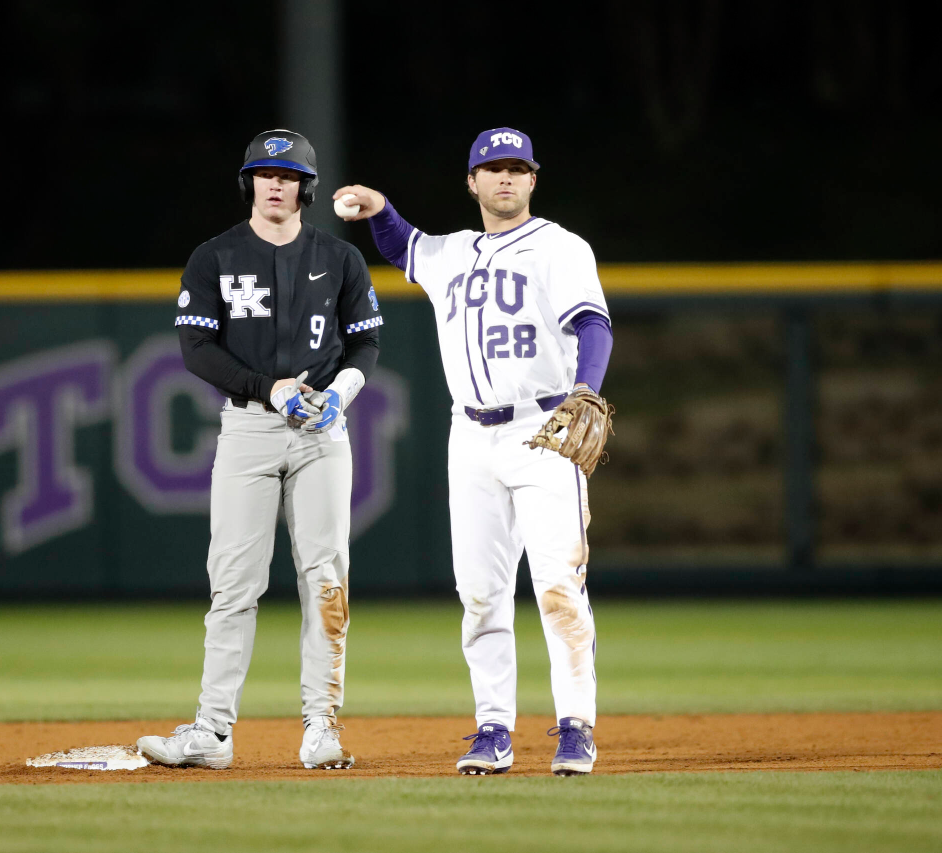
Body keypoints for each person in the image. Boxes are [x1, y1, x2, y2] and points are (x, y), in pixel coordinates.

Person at [333, 127, 612, 776]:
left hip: (546, 431)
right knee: (481, 593)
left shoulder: (560, 247)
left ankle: (576, 727)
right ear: (472, 181)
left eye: (518, 168)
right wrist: (380, 208)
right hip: (472, 438)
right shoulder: (452, 252)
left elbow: (593, 324)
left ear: (534, 180)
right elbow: (405, 246)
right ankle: (493, 729)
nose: (505, 178)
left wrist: (585, 391)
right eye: (493, 168)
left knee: (558, 587)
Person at [136, 129, 382, 771]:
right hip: (247, 426)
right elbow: (197, 350)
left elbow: (364, 345)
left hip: (322, 430)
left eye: (289, 174)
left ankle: (321, 727)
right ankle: (213, 733)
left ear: (307, 186)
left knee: (327, 579)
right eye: (265, 174)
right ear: (249, 182)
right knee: (234, 583)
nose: (277, 183)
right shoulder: (214, 256)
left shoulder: (340, 258)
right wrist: (268, 389)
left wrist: (344, 393)